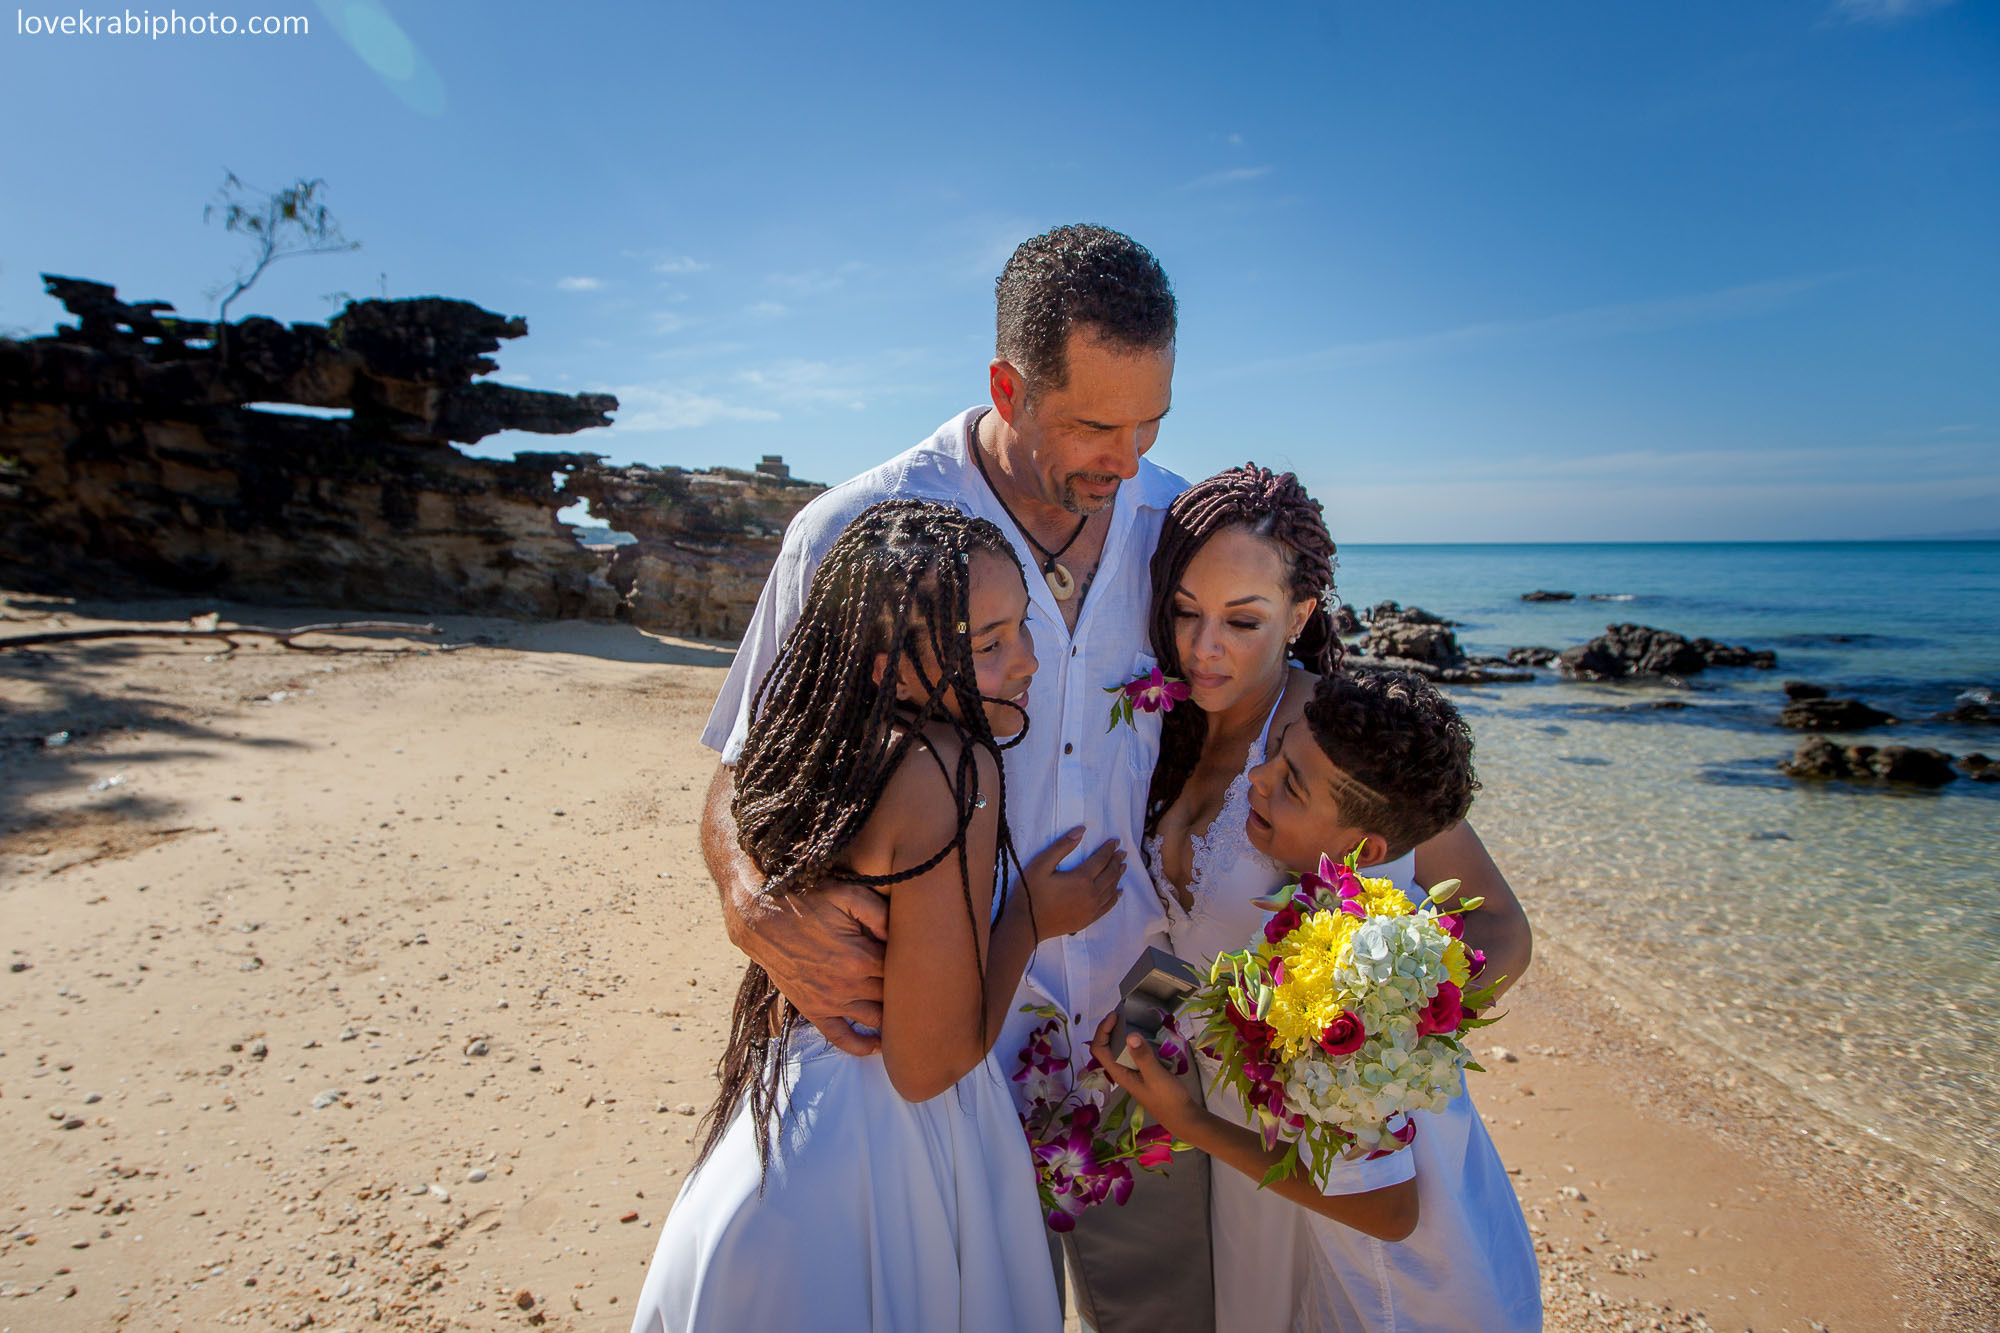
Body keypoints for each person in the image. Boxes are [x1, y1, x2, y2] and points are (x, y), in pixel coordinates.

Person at [698, 232, 1532, 1332]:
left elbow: (1303, 717)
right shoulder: (858, 528)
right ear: (1006, 384)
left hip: (1147, 1041)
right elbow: (745, 766)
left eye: (1152, 422)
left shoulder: (1180, 534)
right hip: (948, 1041)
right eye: (1094, 424)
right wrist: (747, 895)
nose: (1126, 458)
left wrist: (1353, 1022)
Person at [631, 500, 1123, 1332]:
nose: (1030, 661)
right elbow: (926, 1064)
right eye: (988, 644)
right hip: (882, 1160)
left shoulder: (831, 743)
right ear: (887, 667)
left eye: (1024, 628)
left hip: (789, 1135)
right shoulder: (949, 768)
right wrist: (1030, 917)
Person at [1093, 464, 1538, 1331]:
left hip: (1345, 1137)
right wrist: (1131, 1037)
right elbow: (1192, 940)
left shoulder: (1338, 742)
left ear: (1299, 617)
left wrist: (1371, 1036)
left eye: (1243, 620)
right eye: (1184, 611)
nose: (1202, 649)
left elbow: (1502, 924)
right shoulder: (1163, 722)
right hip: (1239, 1141)